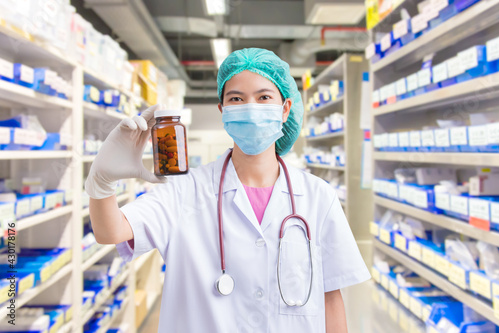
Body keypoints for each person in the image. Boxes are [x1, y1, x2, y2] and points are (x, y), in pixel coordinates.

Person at [85, 48, 370, 332]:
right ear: (223, 111)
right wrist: (102, 181)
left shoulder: (318, 197)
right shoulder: (186, 189)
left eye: (264, 97)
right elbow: (110, 231)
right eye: (236, 98)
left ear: (285, 109)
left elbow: (331, 298)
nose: (251, 107)